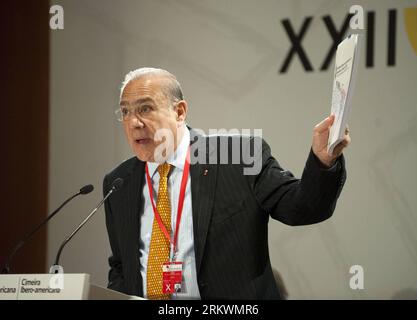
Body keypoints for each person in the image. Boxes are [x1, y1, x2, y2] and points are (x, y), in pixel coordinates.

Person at [103, 67, 350, 299]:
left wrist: (323, 160)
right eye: (125, 111)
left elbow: (302, 208)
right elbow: (122, 266)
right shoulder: (119, 182)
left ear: (179, 112)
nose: (134, 122)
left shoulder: (238, 156)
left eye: (145, 109)